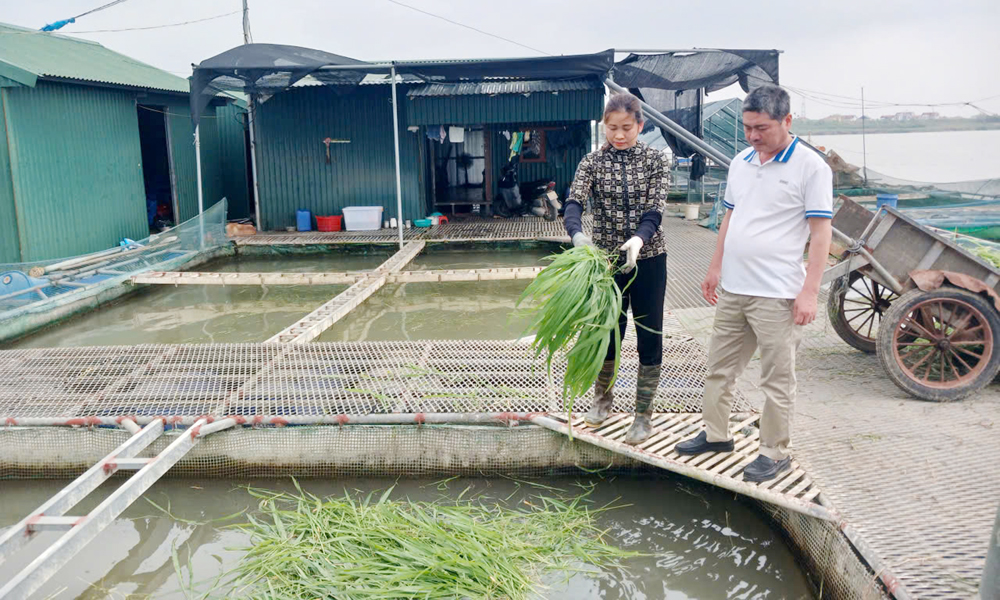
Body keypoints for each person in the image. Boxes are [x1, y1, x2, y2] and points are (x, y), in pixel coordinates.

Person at [675, 84, 834, 483]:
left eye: (761, 128)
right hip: (734, 287)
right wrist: (714, 267)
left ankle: (774, 452)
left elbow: (821, 234)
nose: (752, 136)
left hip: (778, 294)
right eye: (747, 127)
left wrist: (810, 292)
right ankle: (716, 435)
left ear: (787, 120)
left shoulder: (811, 167)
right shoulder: (741, 162)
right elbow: (730, 217)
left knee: (776, 379)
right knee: (719, 368)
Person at [562, 92, 671, 445]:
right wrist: (577, 234)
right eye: (612, 128)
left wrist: (639, 239)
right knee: (607, 331)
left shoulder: (656, 160)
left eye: (626, 127)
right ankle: (602, 401)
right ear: (604, 126)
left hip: (648, 258)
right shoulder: (592, 162)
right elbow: (574, 202)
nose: (619, 135)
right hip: (607, 262)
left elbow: (655, 209)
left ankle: (643, 415)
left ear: (640, 125)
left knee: (649, 334)